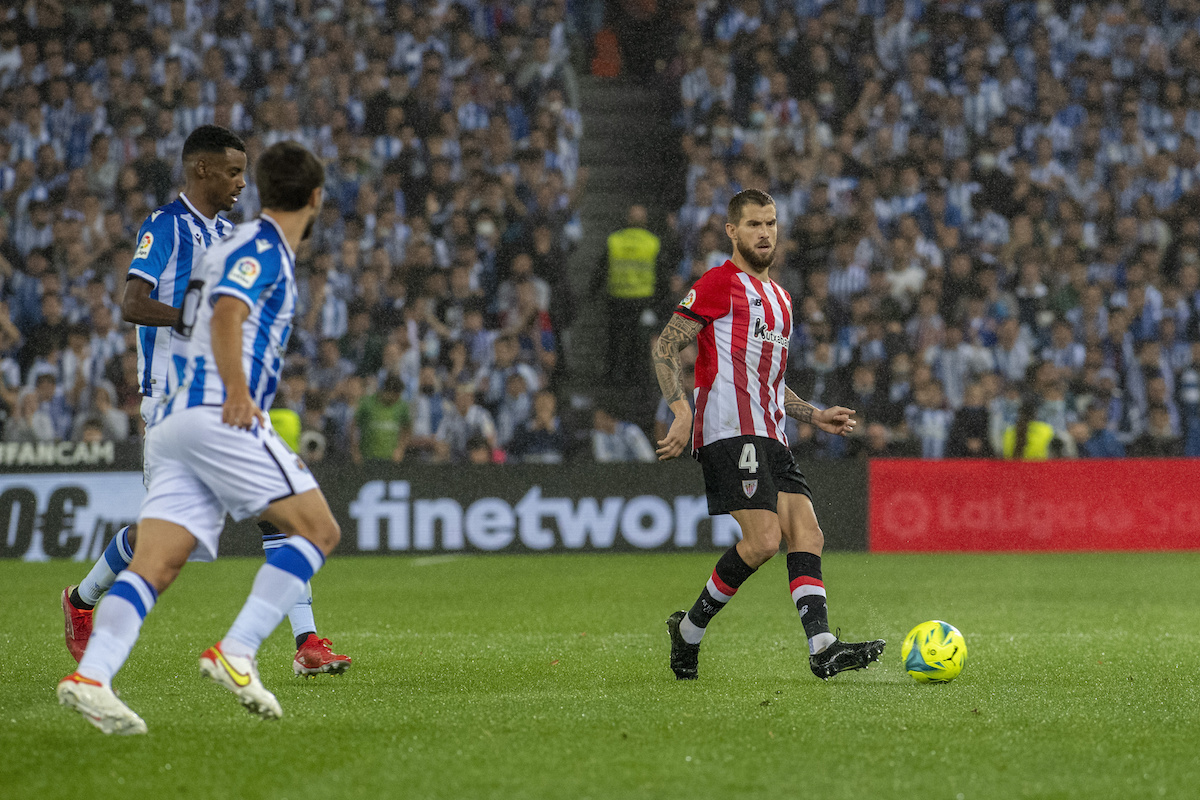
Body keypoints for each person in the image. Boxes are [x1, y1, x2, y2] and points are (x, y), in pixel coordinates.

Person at [58, 142, 341, 735]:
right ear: (316, 199)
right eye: (230, 172)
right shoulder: (250, 245)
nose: (237, 182)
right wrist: (239, 391)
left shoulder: (228, 236)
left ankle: (92, 678)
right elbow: (223, 310)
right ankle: (239, 650)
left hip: (178, 420)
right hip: (214, 410)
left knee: (156, 563)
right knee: (316, 529)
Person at [653, 188, 885, 682]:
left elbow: (772, 381)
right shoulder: (718, 283)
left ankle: (821, 648)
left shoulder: (780, 299)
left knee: (808, 533)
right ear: (733, 231)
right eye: (754, 225)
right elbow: (666, 345)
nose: (765, 233)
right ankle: (690, 631)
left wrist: (814, 414)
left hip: (772, 433)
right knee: (762, 542)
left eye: (771, 224)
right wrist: (680, 410)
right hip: (728, 430)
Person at [596, 204, 662, 387]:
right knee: (637, 342)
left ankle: (611, 378)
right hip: (642, 299)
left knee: (615, 340)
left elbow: (601, 268)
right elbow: (661, 275)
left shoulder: (615, 240)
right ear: (645, 221)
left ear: (628, 220)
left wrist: (593, 292)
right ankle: (635, 379)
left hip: (617, 297)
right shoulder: (653, 242)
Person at [351, 373, 412, 463]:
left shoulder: (402, 406)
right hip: (367, 458)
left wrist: (400, 449)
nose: (398, 398)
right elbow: (353, 427)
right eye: (397, 395)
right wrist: (355, 451)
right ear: (389, 392)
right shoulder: (367, 403)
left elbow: (407, 429)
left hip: (391, 460)